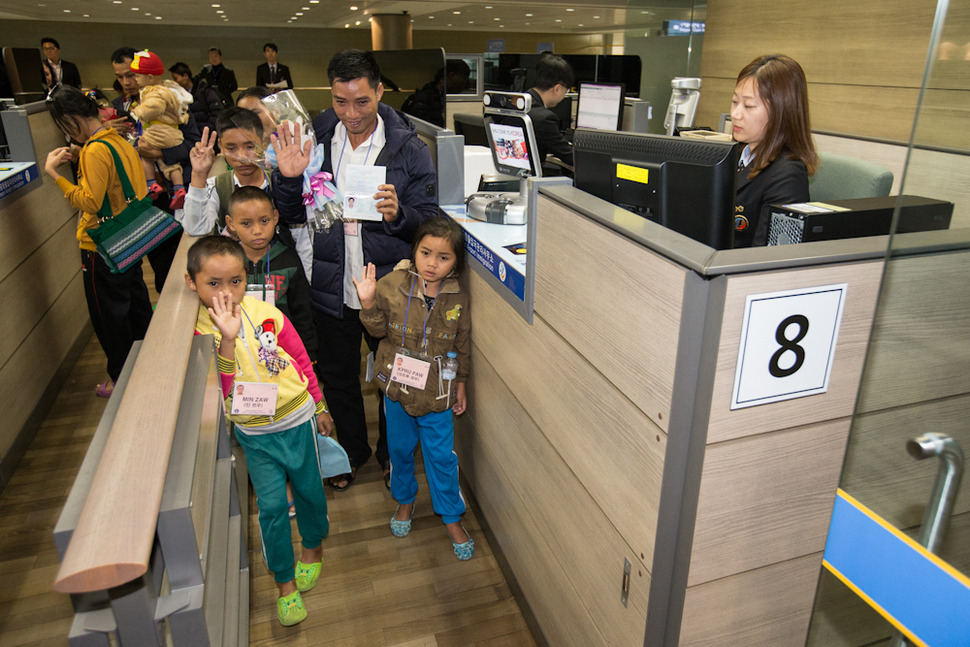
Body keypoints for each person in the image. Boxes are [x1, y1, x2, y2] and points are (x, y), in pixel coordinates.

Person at [272, 48, 438, 491]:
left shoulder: (408, 145)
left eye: (362, 101)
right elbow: (289, 213)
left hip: (386, 286)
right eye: (341, 102)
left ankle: (390, 455)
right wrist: (288, 178)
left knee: (392, 376)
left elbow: (428, 218)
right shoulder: (317, 134)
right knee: (339, 376)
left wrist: (398, 214)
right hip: (330, 279)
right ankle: (350, 452)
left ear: (380, 91)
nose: (351, 113)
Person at [185, 235, 332, 626]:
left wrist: (319, 404)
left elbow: (299, 358)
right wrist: (228, 341)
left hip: (296, 419)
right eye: (213, 283)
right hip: (254, 434)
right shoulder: (200, 332)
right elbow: (226, 390)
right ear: (192, 283)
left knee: (310, 493)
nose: (226, 292)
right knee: (270, 509)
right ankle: (284, 584)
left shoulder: (267, 312)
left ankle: (313, 548)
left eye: (235, 281)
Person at [352, 216, 473, 560]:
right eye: (425, 253)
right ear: (414, 251)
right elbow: (376, 333)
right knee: (400, 451)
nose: (432, 263)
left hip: (438, 394)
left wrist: (460, 383)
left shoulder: (457, 297)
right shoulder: (393, 284)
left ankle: (451, 516)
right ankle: (405, 502)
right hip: (398, 392)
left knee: (441, 458)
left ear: (455, 263)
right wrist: (368, 303)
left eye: (443, 257)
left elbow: (461, 344)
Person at [43, 86, 153, 398]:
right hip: (130, 236)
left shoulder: (94, 150)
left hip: (101, 246)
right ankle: (147, 365)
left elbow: (90, 202)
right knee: (136, 307)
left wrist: (55, 174)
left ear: (71, 120)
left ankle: (121, 382)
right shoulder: (115, 139)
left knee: (110, 318)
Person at [108, 46, 199, 291]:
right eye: (120, 76)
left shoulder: (172, 99)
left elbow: (193, 143)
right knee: (149, 265)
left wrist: (159, 153)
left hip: (174, 193)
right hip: (140, 197)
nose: (127, 82)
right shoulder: (117, 109)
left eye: (130, 74)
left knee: (178, 262)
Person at [731, 54, 818, 248]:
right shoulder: (733, 154)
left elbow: (765, 259)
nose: (735, 114)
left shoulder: (788, 176)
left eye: (748, 106)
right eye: (735, 102)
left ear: (780, 112)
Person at [224, 186, 317, 363]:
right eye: (246, 223)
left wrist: (308, 352)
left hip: (285, 351)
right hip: (240, 351)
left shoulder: (289, 260)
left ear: (275, 217)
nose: (257, 230)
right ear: (231, 224)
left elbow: (303, 311)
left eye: (264, 221)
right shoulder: (227, 265)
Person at [181, 107, 272, 236]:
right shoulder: (217, 186)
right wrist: (199, 175)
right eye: (231, 148)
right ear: (221, 146)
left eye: (250, 147)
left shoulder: (278, 182)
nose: (242, 157)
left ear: (263, 142)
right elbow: (195, 229)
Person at [130, 50, 193, 210]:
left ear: (150, 77)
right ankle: (178, 190)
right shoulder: (167, 92)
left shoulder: (155, 94)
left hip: (161, 136)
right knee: (171, 167)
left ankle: (151, 184)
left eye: (135, 75)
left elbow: (194, 143)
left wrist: (137, 112)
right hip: (170, 140)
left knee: (145, 153)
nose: (130, 81)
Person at [527, 53, 575, 167]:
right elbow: (570, 157)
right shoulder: (544, 118)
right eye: (566, 91)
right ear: (557, 88)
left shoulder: (519, 104)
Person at [400, 59, 471, 127]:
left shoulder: (438, 97)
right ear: (452, 75)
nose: (464, 84)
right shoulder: (425, 100)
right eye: (463, 78)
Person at [169, 61, 223, 136]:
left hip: (205, 136)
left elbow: (218, 114)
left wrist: (204, 130)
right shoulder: (178, 95)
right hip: (188, 136)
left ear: (185, 76)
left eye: (176, 78)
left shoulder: (205, 91)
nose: (175, 82)